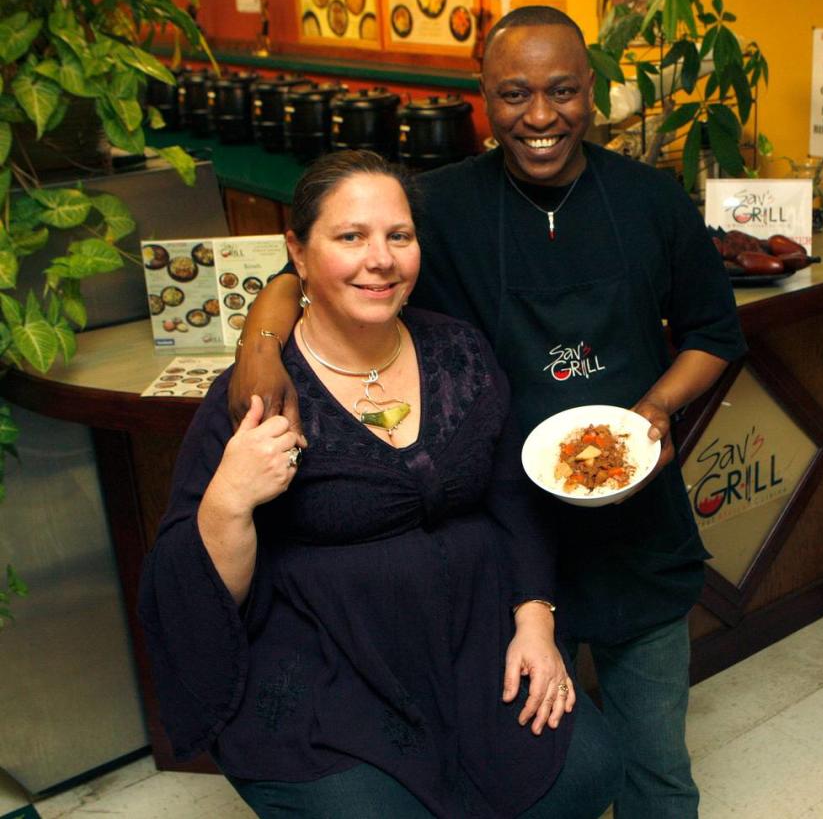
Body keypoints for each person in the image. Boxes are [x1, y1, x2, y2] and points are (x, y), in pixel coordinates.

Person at [229, 7, 746, 818]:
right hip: (501, 551)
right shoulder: (440, 205)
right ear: (483, 97)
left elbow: (716, 332)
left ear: (593, 92)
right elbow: (320, 257)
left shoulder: (651, 200)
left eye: (563, 91)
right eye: (514, 93)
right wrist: (263, 339)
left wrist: (656, 407)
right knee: (528, 767)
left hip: (637, 530)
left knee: (657, 766)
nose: (540, 116)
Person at [138, 150, 622, 819]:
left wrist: (535, 621)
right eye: (350, 236)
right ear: (297, 253)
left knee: (587, 770)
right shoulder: (257, 394)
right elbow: (187, 591)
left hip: (472, 645)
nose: (381, 258)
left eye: (399, 235)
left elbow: (513, 494)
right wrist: (229, 498)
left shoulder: (461, 352)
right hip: (330, 670)